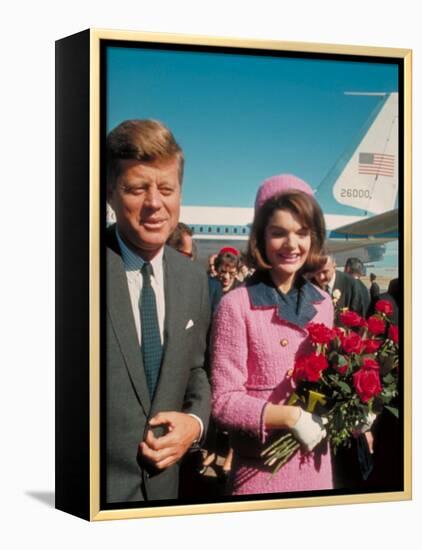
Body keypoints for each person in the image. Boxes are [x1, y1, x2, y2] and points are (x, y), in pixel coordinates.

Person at [105, 119, 211, 503]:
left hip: (166, 495)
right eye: (137, 188)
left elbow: (196, 368)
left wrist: (194, 424)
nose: (154, 203)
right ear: (110, 192)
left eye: (166, 188)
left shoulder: (192, 279)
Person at [211, 174, 334, 496]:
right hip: (260, 470)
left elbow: (330, 380)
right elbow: (223, 402)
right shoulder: (236, 305)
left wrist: (357, 406)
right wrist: (290, 417)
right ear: (261, 237)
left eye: (302, 233)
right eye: (279, 233)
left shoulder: (323, 304)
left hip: (318, 465)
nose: (292, 245)